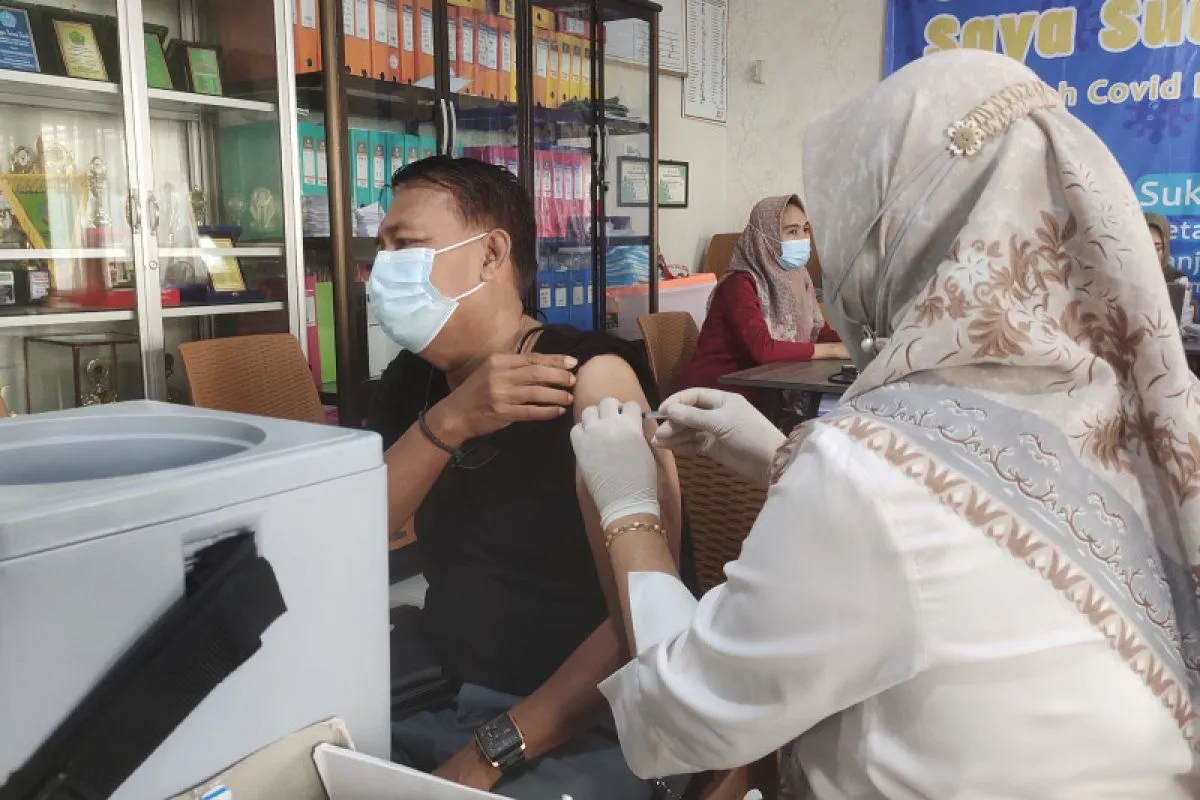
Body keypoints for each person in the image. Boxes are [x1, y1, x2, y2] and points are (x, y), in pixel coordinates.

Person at [569, 49, 1200, 797]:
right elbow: (988, 523)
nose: (825, 255)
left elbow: (681, 720)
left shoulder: (871, 473)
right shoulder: (1155, 419)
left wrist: (629, 508)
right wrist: (784, 455)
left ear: (907, 229)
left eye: (838, 225)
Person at [366, 156, 685, 799]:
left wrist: (488, 754)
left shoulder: (591, 378)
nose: (380, 270)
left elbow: (644, 618)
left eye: (406, 246)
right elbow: (361, 531)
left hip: (586, 717)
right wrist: (452, 419)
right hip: (443, 685)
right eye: (380, 249)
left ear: (491, 254)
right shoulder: (414, 381)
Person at [680, 196, 847, 406]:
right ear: (765, 238)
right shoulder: (739, 283)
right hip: (717, 394)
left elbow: (816, 331)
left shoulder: (798, 277)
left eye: (805, 230)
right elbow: (763, 349)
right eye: (792, 232)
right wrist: (833, 350)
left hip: (763, 388)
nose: (803, 239)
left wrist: (856, 346)